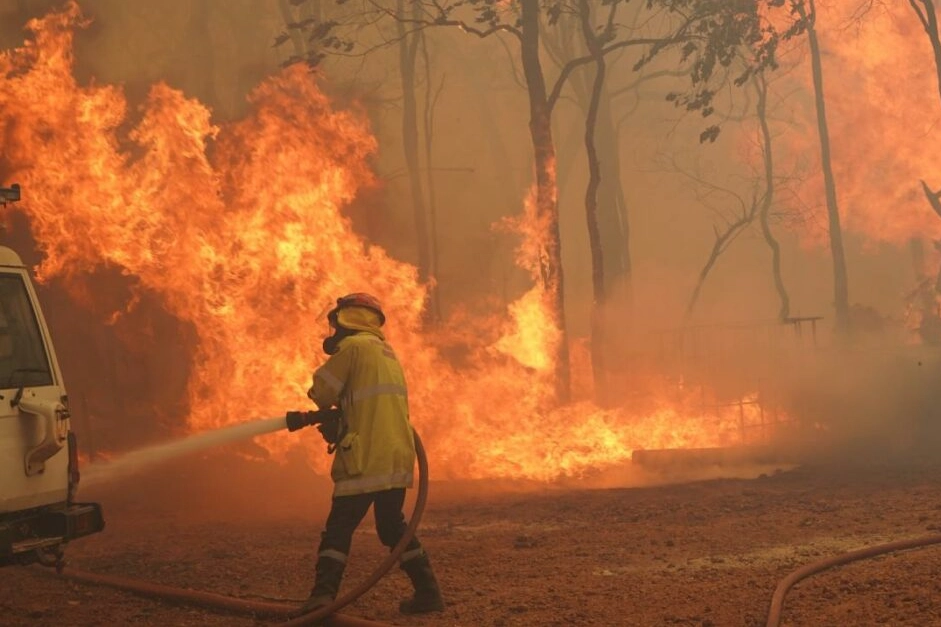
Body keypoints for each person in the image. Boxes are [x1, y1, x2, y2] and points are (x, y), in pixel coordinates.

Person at [297, 292, 444, 616]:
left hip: (366, 457)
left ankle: (322, 598)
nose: (333, 331)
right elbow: (369, 404)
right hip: (395, 454)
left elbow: (322, 393)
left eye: (335, 323)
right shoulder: (385, 352)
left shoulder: (352, 348)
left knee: (339, 527)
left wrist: (321, 399)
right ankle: (428, 593)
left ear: (346, 319)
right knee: (392, 526)